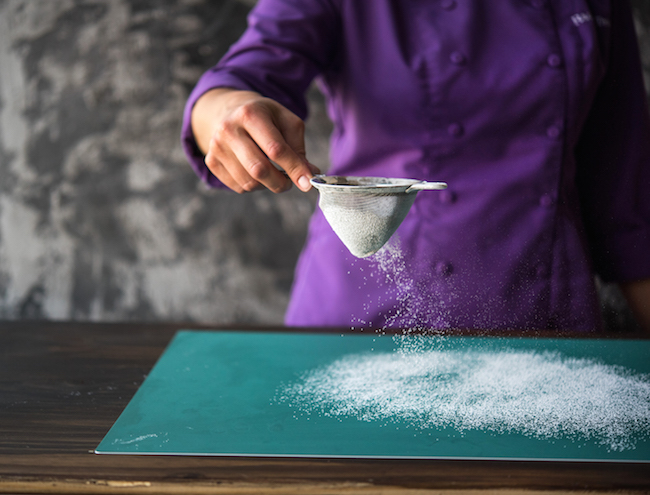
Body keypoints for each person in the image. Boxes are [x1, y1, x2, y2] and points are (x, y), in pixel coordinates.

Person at [182, 0, 650, 333]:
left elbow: (628, 201)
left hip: (543, 317)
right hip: (364, 320)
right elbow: (247, 71)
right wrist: (226, 110)